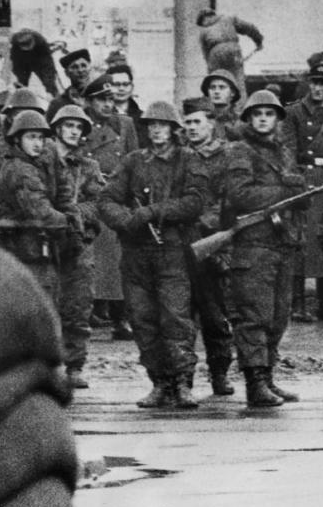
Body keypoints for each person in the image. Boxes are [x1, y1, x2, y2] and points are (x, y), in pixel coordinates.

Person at [98, 101, 206, 409]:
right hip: (136, 253)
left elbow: (195, 201)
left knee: (176, 318)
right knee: (143, 320)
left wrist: (154, 212)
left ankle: (183, 382)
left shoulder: (188, 160)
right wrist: (127, 221)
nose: (156, 129)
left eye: (162, 124)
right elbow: (107, 199)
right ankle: (159, 382)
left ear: (174, 128)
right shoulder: (133, 161)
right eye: (151, 124)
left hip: (172, 249)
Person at [224, 90, 309, 407]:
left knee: (278, 317)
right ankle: (255, 382)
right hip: (253, 245)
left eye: (269, 113)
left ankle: (269, 376)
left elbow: (295, 191)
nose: (263, 118)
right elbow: (240, 195)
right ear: (247, 118)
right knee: (254, 317)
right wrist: (284, 190)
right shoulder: (240, 152)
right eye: (257, 113)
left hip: (282, 243)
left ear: (277, 119)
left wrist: (301, 192)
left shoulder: (283, 152)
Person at [0, 109, 78, 303]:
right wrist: (69, 222)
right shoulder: (21, 171)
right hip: (27, 252)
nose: (38, 144)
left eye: (40, 138)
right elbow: (41, 214)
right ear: (17, 140)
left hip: (29, 250)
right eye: (31, 137)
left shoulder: (26, 166)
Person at [79, 74, 140, 340]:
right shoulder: (79, 125)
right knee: (90, 260)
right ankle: (87, 314)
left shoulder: (125, 125)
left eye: (110, 99)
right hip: (89, 196)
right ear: (89, 102)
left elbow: (134, 160)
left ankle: (121, 317)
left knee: (117, 263)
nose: (107, 104)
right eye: (101, 99)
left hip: (117, 197)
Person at [281, 60, 323, 323]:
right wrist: (294, 179)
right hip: (303, 179)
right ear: (309, 83)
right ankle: (296, 303)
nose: (319, 89)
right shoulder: (293, 113)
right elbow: (287, 149)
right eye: (316, 82)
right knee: (300, 239)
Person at [181, 107, 236, 396]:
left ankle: (220, 374)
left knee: (216, 316)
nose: (191, 127)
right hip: (183, 247)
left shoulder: (227, 157)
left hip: (213, 244)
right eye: (187, 122)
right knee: (182, 318)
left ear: (211, 125)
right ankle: (184, 378)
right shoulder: (180, 156)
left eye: (197, 122)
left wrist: (207, 227)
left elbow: (228, 200)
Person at [50, 105, 105, 390]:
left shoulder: (88, 167)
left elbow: (97, 204)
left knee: (78, 305)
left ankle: (74, 365)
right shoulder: (43, 162)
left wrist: (71, 214)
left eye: (78, 127)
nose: (73, 131)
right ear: (57, 128)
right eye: (68, 125)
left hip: (79, 243)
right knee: (46, 304)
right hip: (46, 242)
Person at [0, 87, 45, 217]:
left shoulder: (46, 151)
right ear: (10, 117)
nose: (28, 120)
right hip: (4, 223)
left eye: (33, 115)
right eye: (21, 115)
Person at [196, 8, 264, 98]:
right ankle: (240, 108)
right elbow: (250, 28)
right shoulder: (229, 19)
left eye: (202, 23)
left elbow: (206, 54)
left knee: (218, 82)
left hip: (215, 53)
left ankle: (221, 107)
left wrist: (210, 69)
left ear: (204, 18)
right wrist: (258, 41)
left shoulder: (203, 32)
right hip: (233, 49)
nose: (204, 24)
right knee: (238, 82)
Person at [8, 28, 61, 97]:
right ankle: (20, 97)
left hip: (40, 60)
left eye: (29, 45)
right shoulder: (14, 42)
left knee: (49, 81)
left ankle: (55, 95)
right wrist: (18, 73)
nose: (27, 47)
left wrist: (49, 76)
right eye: (25, 46)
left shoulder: (40, 40)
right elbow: (15, 61)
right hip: (23, 60)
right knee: (21, 81)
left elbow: (47, 61)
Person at [46, 48, 94, 121]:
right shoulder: (58, 103)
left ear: (90, 68)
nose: (80, 70)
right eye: (74, 67)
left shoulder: (101, 96)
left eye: (83, 65)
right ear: (67, 73)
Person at [108, 63, 145, 146]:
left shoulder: (142, 118)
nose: (121, 89)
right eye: (116, 84)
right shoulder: (102, 115)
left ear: (132, 87)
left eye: (125, 84)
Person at [201, 68, 243, 141]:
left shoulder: (241, 121)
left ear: (232, 92)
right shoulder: (201, 120)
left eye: (222, 87)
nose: (216, 91)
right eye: (212, 87)